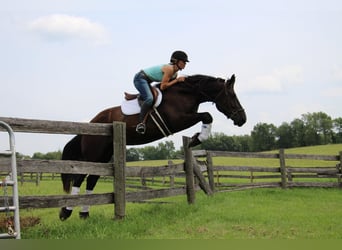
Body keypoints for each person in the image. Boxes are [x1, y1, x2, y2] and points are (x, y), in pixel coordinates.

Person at [134, 50, 189, 134]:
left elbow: (169, 86)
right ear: (176, 61)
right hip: (140, 78)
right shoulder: (169, 69)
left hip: (148, 81)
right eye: (183, 61)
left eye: (185, 62)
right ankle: (141, 123)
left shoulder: (175, 74)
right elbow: (163, 86)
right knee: (149, 99)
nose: (185, 64)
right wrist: (177, 80)